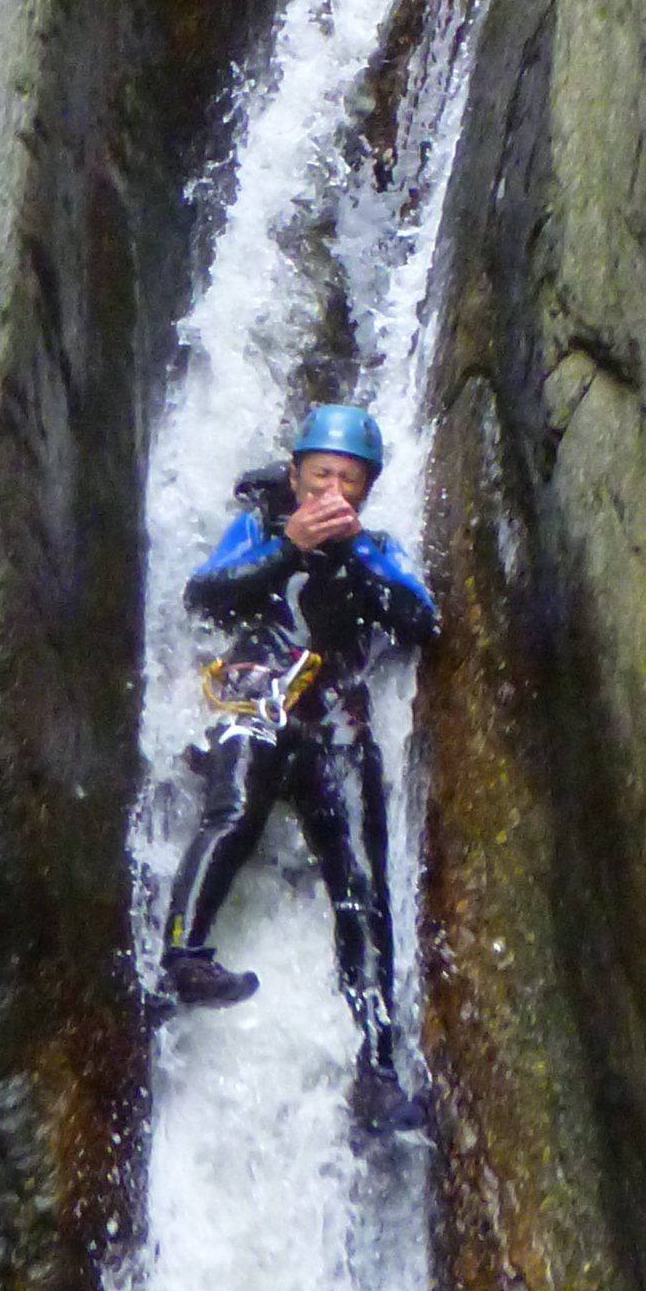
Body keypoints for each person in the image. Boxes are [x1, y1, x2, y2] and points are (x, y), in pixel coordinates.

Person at [161, 401, 439, 1138]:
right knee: (234, 809)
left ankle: (377, 1070)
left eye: (351, 482)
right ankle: (183, 956)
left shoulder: (373, 549)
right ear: (295, 475)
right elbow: (205, 593)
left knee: (364, 885)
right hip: (255, 696)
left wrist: (349, 560)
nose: (334, 494)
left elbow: (423, 620)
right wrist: (289, 547)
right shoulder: (257, 531)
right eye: (322, 477)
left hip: (337, 722)